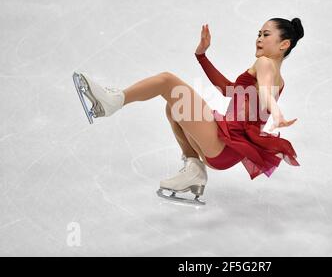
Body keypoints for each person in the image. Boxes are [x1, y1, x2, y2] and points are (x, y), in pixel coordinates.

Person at [72, 17, 304, 202]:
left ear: (284, 44)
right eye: (258, 34)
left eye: (265, 34)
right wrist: (201, 56)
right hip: (225, 151)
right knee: (174, 107)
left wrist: (275, 111)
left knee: (167, 81)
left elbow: (264, 91)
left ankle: (113, 101)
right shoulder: (274, 74)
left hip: (225, 141)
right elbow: (229, 91)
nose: (259, 39)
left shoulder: (264, 64)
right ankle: (194, 170)